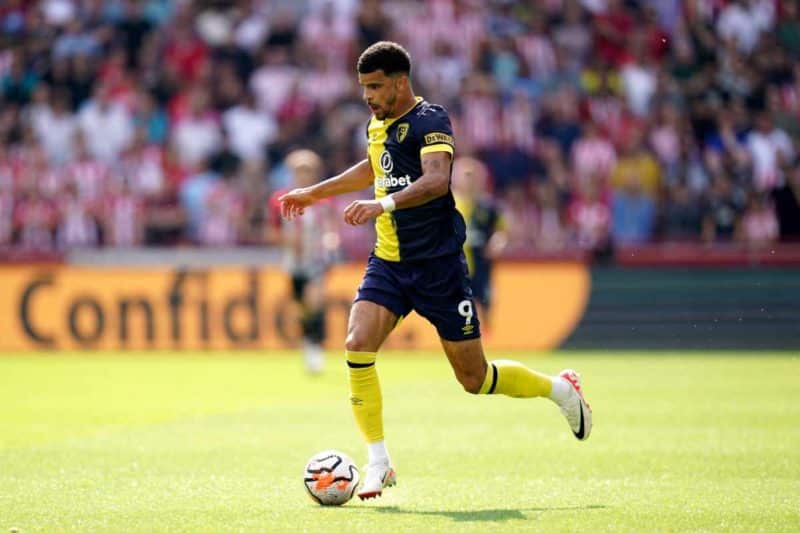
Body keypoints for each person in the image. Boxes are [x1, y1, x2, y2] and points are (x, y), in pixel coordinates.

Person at [279, 42, 592, 501]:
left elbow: (436, 180)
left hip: (439, 267)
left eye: (375, 86)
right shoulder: (377, 123)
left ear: (400, 82)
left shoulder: (431, 120)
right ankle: (379, 461)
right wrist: (314, 193)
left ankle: (559, 390)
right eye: (363, 87)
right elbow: (374, 166)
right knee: (357, 344)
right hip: (389, 262)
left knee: (475, 379)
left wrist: (382, 204)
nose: (367, 96)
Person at [269, 149, 339, 374]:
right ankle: (309, 340)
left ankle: (315, 347)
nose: (303, 175)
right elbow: (272, 232)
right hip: (293, 261)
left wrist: (331, 240)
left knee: (314, 300)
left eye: (307, 170)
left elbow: (331, 227)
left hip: (316, 259)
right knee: (301, 306)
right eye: (299, 171)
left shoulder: (323, 198)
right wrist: (288, 241)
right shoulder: (279, 200)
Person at [451, 156, 508, 333]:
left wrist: (497, 242)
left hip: (482, 265)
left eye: (474, 175)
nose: (470, 180)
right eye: (466, 175)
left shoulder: (489, 206)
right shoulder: (448, 205)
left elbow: (502, 230)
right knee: (457, 306)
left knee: (485, 303)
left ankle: (487, 334)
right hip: (455, 266)